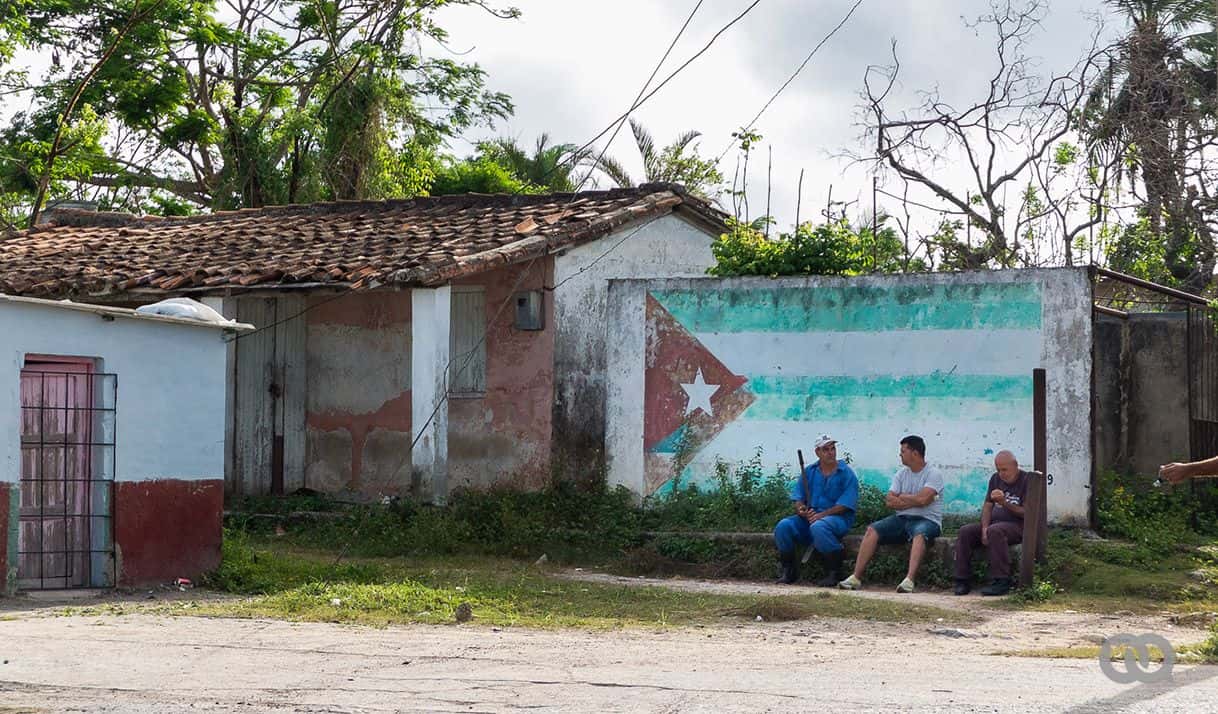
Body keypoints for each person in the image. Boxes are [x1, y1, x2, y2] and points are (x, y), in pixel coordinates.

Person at [839, 435, 943, 593]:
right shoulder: (901, 474)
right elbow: (889, 500)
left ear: (914, 453)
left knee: (920, 533)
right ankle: (855, 577)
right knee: (872, 530)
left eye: (903, 451)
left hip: (927, 520)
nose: (900, 454)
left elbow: (924, 500)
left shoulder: (933, 473)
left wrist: (903, 497)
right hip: (901, 519)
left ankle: (909, 580)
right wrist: (914, 499)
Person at [772, 435, 859, 586]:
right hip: (811, 518)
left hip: (837, 519)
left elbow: (845, 504)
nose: (831, 452)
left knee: (819, 526)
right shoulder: (809, 472)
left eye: (833, 448)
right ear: (817, 452)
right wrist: (801, 509)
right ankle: (789, 571)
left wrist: (821, 515)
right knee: (783, 526)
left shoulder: (846, 473)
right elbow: (798, 497)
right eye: (826, 449)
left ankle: (835, 572)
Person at [952, 451, 1027, 597]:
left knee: (995, 531)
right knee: (965, 531)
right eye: (998, 469)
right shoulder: (995, 479)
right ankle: (962, 579)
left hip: (1018, 526)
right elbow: (987, 504)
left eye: (1005, 469)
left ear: (1015, 466)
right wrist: (984, 527)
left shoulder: (1026, 480)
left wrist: (1004, 503)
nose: (1001, 473)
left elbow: (1026, 512)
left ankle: (1001, 580)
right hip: (995, 524)